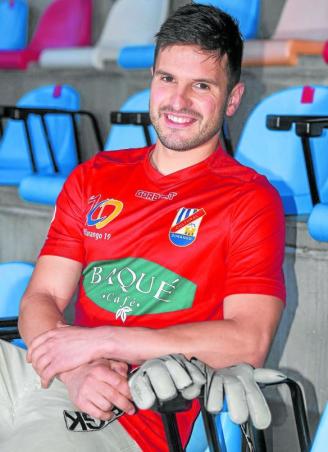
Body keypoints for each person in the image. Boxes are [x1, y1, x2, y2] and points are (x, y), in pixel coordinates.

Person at [0, 3, 286, 452]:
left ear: (232, 99)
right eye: (168, 78)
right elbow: (43, 297)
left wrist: (104, 342)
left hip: (128, 408)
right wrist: (75, 369)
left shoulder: (249, 199)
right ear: (151, 79)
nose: (179, 101)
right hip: (53, 373)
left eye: (202, 86)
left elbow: (248, 339)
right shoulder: (95, 174)